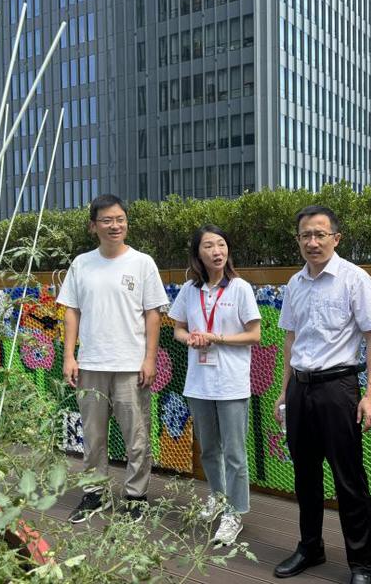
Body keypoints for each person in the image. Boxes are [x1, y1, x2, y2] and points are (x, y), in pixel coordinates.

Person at [272, 205, 371, 584]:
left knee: (348, 478)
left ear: (336, 238)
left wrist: (370, 395)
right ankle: (310, 547)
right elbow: (291, 338)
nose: (312, 242)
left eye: (320, 234)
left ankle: (362, 564)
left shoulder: (355, 279)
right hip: (300, 389)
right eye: (305, 235)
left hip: (339, 389)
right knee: (304, 476)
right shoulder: (294, 283)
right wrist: (283, 391)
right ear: (298, 240)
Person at [58, 194, 169, 523]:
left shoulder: (143, 263)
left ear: (127, 223)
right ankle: (94, 494)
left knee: (137, 436)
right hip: (90, 364)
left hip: (130, 366)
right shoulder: (81, 264)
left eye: (120, 219)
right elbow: (71, 312)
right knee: (93, 436)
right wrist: (69, 355)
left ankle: (136, 496)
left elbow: (153, 315)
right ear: (93, 226)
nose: (114, 225)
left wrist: (149, 359)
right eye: (106, 220)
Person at [168, 225, 261, 546]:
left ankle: (235, 513)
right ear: (198, 253)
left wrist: (216, 338)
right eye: (208, 246)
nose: (216, 251)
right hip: (199, 384)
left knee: (235, 453)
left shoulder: (240, 288)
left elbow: (254, 335)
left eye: (221, 244)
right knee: (209, 449)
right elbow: (178, 329)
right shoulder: (189, 290)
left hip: (231, 383)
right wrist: (191, 338)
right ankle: (218, 499)